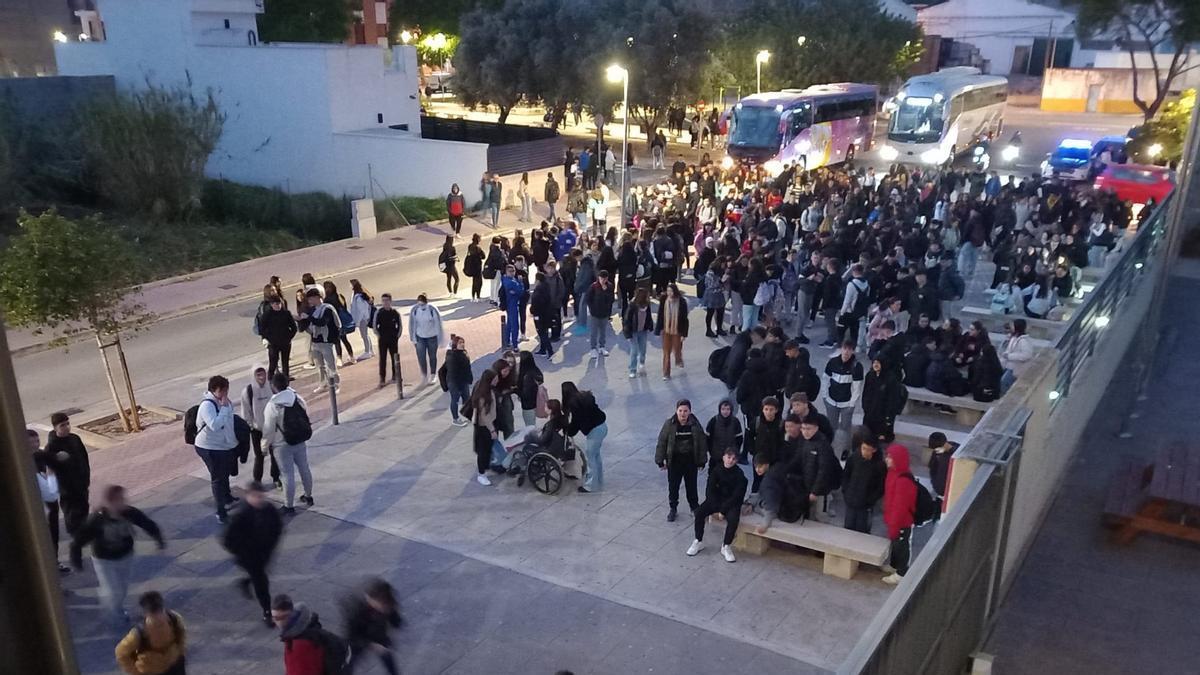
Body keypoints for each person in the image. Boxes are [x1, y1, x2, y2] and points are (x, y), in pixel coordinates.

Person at [70, 485, 165, 625]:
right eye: (119, 499)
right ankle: (115, 615)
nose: (123, 502)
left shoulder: (129, 513)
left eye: (123, 499)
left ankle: (114, 605)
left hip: (126, 556)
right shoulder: (97, 520)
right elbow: (79, 540)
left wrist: (158, 539)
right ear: (109, 502)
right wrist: (76, 560)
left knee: (122, 587)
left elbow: (147, 524)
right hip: (104, 560)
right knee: (114, 590)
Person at [222, 481, 283, 626]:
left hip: (264, 553)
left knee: (260, 576)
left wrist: (271, 544)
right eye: (256, 496)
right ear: (248, 496)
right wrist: (242, 552)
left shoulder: (269, 509)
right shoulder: (242, 515)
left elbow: (278, 526)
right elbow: (227, 539)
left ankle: (245, 582)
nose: (259, 500)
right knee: (262, 582)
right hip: (250, 557)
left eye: (261, 496)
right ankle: (267, 612)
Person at [685, 446, 749, 563]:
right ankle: (698, 541)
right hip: (716, 500)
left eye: (734, 459)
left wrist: (723, 511)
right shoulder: (716, 471)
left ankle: (726, 546)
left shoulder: (740, 476)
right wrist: (714, 505)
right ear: (724, 457)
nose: (730, 460)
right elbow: (709, 490)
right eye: (729, 457)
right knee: (699, 513)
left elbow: (737, 497)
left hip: (731, 504)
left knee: (733, 520)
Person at [263, 373, 314, 514]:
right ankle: (308, 496)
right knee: (305, 468)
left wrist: (264, 446)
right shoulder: (297, 398)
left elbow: (268, 429)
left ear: (274, 386)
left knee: (287, 475)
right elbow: (305, 413)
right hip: (299, 439)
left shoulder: (273, 405)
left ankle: (288, 505)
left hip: (281, 444)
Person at [654, 399, 709, 522]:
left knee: (692, 486)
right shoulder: (669, 424)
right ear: (676, 411)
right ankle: (673, 508)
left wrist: (702, 461)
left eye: (685, 411)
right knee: (673, 486)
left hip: (690, 461)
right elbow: (662, 442)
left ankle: (694, 507)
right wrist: (660, 460)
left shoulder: (695, 424)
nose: (683, 414)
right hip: (674, 461)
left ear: (690, 411)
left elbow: (701, 442)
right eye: (680, 411)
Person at [194, 376, 239, 523]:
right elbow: (215, 425)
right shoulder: (207, 405)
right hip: (208, 447)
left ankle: (227, 497)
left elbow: (229, 423)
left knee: (224, 472)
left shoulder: (222, 401)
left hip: (222, 445)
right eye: (224, 390)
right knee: (217, 478)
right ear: (216, 390)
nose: (226, 393)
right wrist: (225, 408)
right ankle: (220, 511)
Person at [29, 429, 71, 573]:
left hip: (50, 508)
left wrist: (59, 458)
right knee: (44, 538)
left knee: (53, 535)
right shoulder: (27, 464)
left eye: (37, 441)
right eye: (31, 442)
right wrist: (51, 475)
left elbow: (57, 458)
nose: (35, 445)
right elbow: (50, 493)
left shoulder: (40, 455)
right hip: (42, 507)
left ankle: (54, 561)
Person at [114, 591, 186, 675]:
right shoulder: (138, 634)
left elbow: (181, 635)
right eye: (154, 615)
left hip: (174, 665)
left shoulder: (174, 619)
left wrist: (180, 653)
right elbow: (121, 653)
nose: (158, 619)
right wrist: (136, 672)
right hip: (151, 671)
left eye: (159, 612)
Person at [342, 579, 403, 675]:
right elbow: (353, 636)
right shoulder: (355, 608)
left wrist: (392, 615)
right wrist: (371, 645)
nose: (383, 609)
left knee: (387, 657)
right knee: (350, 659)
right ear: (372, 600)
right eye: (382, 606)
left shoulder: (386, 602)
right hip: (360, 637)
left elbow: (396, 620)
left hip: (378, 635)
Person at [45, 411, 91, 537]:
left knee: (84, 506)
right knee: (71, 511)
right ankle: (75, 533)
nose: (67, 427)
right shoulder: (51, 446)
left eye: (67, 424)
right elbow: (49, 468)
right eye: (62, 425)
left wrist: (86, 476)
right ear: (55, 428)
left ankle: (84, 528)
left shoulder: (74, 438)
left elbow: (84, 458)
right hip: (66, 486)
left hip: (81, 482)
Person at [272, 595, 341, 675]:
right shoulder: (303, 626)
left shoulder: (299, 646)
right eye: (274, 618)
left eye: (281, 617)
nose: (278, 623)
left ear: (291, 614)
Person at [882, 444, 918, 584]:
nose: (887, 459)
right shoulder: (893, 473)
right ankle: (894, 565)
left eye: (891, 457)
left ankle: (902, 573)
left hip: (902, 522)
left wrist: (895, 524)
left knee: (902, 546)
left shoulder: (903, 480)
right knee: (896, 545)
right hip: (893, 519)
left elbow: (901, 506)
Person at [563, 382, 607, 493]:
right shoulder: (584, 397)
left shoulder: (574, 404)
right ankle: (599, 480)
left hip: (594, 431)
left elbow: (576, 422)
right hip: (602, 426)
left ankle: (590, 485)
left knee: (590, 457)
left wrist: (569, 431)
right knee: (596, 455)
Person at [241, 366, 280, 488]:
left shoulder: (272, 387)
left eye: (263, 374)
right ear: (254, 376)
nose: (262, 378)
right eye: (258, 375)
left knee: (275, 454)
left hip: (272, 427)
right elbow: (246, 412)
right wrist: (252, 425)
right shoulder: (248, 391)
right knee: (259, 457)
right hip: (257, 430)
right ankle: (257, 482)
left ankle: (276, 478)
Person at [823, 341, 864, 456]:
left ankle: (846, 450)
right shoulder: (832, 362)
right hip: (831, 401)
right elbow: (825, 380)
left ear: (853, 351)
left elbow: (857, 387)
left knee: (846, 428)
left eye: (849, 349)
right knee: (831, 426)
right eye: (845, 348)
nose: (846, 351)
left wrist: (852, 404)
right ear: (841, 349)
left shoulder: (857, 366)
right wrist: (825, 396)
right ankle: (828, 447)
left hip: (846, 403)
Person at [297, 288, 341, 394]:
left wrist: (309, 318)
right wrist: (300, 320)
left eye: (311, 299)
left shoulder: (327, 309)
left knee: (331, 365)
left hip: (326, 342)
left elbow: (322, 322)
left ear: (317, 298)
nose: (310, 302)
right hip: (315, 342)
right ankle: (323, 384)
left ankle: (336, 384)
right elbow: (308, 323)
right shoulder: (312, 310)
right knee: (320, 366)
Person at [841, 434, 886, 534]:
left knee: (862, 531)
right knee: (847, 529)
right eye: (863, 448)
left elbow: (880, 486)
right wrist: (846, 491)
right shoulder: (854, 458)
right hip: (851, 500)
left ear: (874, 450)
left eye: (867, 449)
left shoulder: (879, 466)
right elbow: (846, 475)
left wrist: (870, 500)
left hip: (865, 505)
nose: (864, 451)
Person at [861, 358, 907, 444]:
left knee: (881, 440)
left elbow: (892, 399)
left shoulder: (890, 379)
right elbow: (866, 393)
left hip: (883, 415)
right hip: (870, 413)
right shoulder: (870, 375)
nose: (875, 365)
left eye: (878, 363)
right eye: (874, 362)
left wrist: (888, 417)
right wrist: (865, 406)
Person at [468, 370, 500, 486]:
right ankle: (481, 474)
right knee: (483, 451)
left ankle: (485, 468)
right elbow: (484, 415)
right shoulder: (484, 395)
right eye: (495, 378)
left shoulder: (487, 390)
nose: (497, 380)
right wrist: (492, 429)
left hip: (487, 425)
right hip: (484, 427)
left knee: (487, 450)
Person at [409, 293, 445, 386]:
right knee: (421, 357)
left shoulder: (432, 310)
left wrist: (440, 339)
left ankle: (433, 375)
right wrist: (413, 338)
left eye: (423, 305)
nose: (421, 307)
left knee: (432, 356)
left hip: (432, 337)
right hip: (420, 337)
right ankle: (424, 375)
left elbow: (438, 325)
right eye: (419, 304)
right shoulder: (415, 310)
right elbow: (412, 324)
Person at [260, 296, 298, 382]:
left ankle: (286, 378)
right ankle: (270, 378)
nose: (278, 306)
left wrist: (289, 337)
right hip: (273, 344)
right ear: (271, 305)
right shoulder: (267, 315)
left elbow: (293, 327)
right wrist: (269, 338)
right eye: (275, 304)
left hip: (285, 342)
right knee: (273, 362)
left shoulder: (286, 313)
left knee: (285, 362)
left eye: (279, 303)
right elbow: (262, 329)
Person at [657, 283, 688, 380]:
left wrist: (684, 334)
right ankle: (666, 373)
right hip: (666, 330)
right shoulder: (663, 300)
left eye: (671, 291)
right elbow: (660, 315)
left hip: (677, 330)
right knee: (666, 352)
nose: (669, 293)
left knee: (677, 349)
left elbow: (684, 319)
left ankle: (678, 359)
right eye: (668, 291)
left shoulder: (681, 302)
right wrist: (658, 328)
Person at [322, 281, 357, 366]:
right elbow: (344, 307)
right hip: (343, 322)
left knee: (337, 341)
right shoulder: (340, 296)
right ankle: (352, 356)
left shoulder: (326, 300)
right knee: (345, 340)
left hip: (335, 322)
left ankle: (339, 359)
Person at [622, 287, 654, 378]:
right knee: (634, 351)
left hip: (643, 330)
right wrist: (627, 333)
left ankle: (642, 364)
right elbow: (627, 320)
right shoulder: (632, 305)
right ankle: (632, 370)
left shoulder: (647, 305)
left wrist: (650, 326)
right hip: (633, 331)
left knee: (643, 349)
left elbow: (648, 317)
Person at [704, 399, 744, 471]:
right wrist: (711, 451)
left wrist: (734, 452)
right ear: (719, 409)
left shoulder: (735, 422)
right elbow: (707, 438)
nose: (725, 411)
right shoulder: (713, 421)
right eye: (723, 409)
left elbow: (739, 439)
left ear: (731, 410)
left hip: (730, 458)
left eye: (728, 409)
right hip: (716, 457)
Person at [443, 334, 474, 427]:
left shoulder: (464, 353)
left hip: (463, 380)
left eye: (463, 342)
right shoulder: (452, 356)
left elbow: (467, 368)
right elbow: (453, 371)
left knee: (467, 399)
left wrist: (469, 378)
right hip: (455, 382)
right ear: (455, 344)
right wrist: (457, 385)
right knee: (455, 399)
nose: (462, 344)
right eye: (460, 343)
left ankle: (469, 416)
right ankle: (455, 419)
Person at [374, 293, 402, 387]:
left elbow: (400, 325)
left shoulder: (395, 313)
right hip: (383, 339)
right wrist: (379, 335)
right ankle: (382, 378)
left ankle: (396, 375)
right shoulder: (379, 313)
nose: (385, 302)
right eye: (383, 301)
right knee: (383, 359)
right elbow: (375, 326)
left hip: (393, 339)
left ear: (390, 301)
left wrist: (397, 335)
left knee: (395, 358)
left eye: (387, 300)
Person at [1000, 319, 1035, 394]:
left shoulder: (1023, 341)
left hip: (1016, 368)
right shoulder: (1014, 338)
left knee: (1004, 383)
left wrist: (1009, 356)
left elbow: (1026, 355)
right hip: (1009, 366)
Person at [586, 270, 616, 358]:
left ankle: (602, 347)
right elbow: (588, 299)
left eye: (605, 278)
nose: (603, 280)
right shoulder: (594, 286)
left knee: (603, 331)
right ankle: (593, 348)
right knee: (594, 332)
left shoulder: (610, 286)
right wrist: (592, 309)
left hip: (605, 313)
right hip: (595, 313)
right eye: (601, 278)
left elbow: (611, 299)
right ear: (598, 277)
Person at [927, 432, 958, 512]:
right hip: (940, 488)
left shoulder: (956, 454)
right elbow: (932, 467)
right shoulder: (938, 453)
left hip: (949, 489)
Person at [499, 264, 525, 350]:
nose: (512, 273)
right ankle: (515, 345)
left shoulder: (505, 279)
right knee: (515, 325)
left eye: (513, 271)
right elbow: (520, 292)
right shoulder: (512, 282)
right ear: (506, 272)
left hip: (509, 305)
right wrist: (521, 282)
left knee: (509, 324)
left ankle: (507, 341)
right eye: (510, 271)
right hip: (512, 305)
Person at [349, 280, 375, 361]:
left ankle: (367, 351)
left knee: (364, 335)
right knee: (365, 335)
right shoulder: (360, 295)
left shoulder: (358, 297)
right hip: (364, 318)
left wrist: (358, 321)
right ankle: (370, 350)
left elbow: (361, 310)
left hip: (362, 319)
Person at [517, 350, 544, 427]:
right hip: (536, 401)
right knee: (532, 423)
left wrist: (515, 390)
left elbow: (525, 394)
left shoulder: (526, 375)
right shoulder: (535, 369)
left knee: (530, 426)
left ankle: (532, 439)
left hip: (528, 405)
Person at [464, 233, 485, 302]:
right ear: (478, 239)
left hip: (471, 267)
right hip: (477, 267)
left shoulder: (470, 246)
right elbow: (483, 256)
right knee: (479, 282)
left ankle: (473, 297)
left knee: (474, 282)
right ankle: (478, 296)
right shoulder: (478, 248)